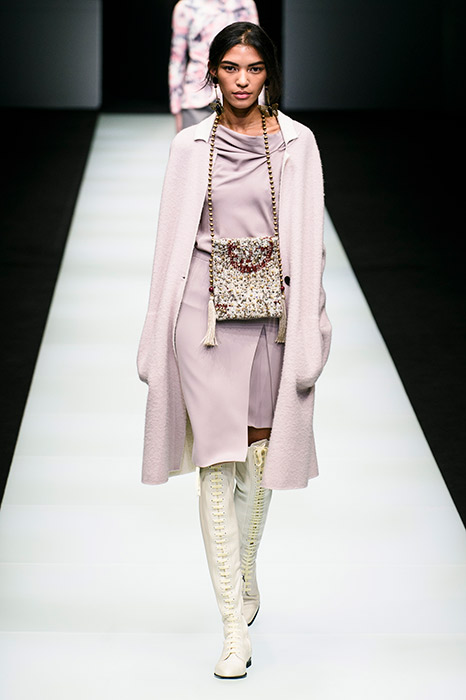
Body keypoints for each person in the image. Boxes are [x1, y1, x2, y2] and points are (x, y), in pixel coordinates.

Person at [138, 22, 331, 679]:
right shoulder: (191, 146)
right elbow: (168, 245)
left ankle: (245, 571)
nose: (242, 80)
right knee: (217, 462)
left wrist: (313, 322)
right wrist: (157, 327)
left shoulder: (298, 144)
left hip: (273, 316)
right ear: (213, 73)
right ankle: (230, 627)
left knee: (258, 457)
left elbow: (310, 244)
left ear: (269, 72)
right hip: (205, 316)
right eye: (229, 68)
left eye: (253, 68)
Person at [169, 0, 259, 131]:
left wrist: (261, 101)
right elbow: (177, 58)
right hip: (196, 96)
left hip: (238, 93)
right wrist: (176, 108)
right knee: (194, 143)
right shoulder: (186, 7)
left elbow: (255, 53)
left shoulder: (244, 4)